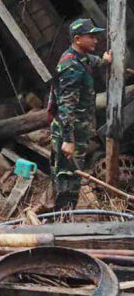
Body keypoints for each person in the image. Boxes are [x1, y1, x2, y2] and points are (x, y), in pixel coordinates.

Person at [50, 18, 112, 210]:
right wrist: (68, 139)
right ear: (78, 39)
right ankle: (63, 220)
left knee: (71, 174)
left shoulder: (80, 58)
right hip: (70, 132)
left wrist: (105, 60)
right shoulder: (71, 67)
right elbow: (66, 105)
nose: (95, 40)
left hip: (77, 129)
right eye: (91, 37)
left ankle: (64, 216)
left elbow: (93, 61)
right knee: (68, 177)